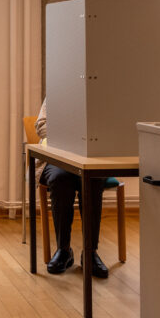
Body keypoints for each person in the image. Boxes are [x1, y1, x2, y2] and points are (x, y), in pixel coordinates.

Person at [36, 99, 108, 278]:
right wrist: (77, 132)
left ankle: (90, 252)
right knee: (60, 179)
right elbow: (41, 128)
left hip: (93, 156)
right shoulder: (57, 91)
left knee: (93, 179)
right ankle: (63, 250)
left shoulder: (103, 93)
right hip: (58, 156)